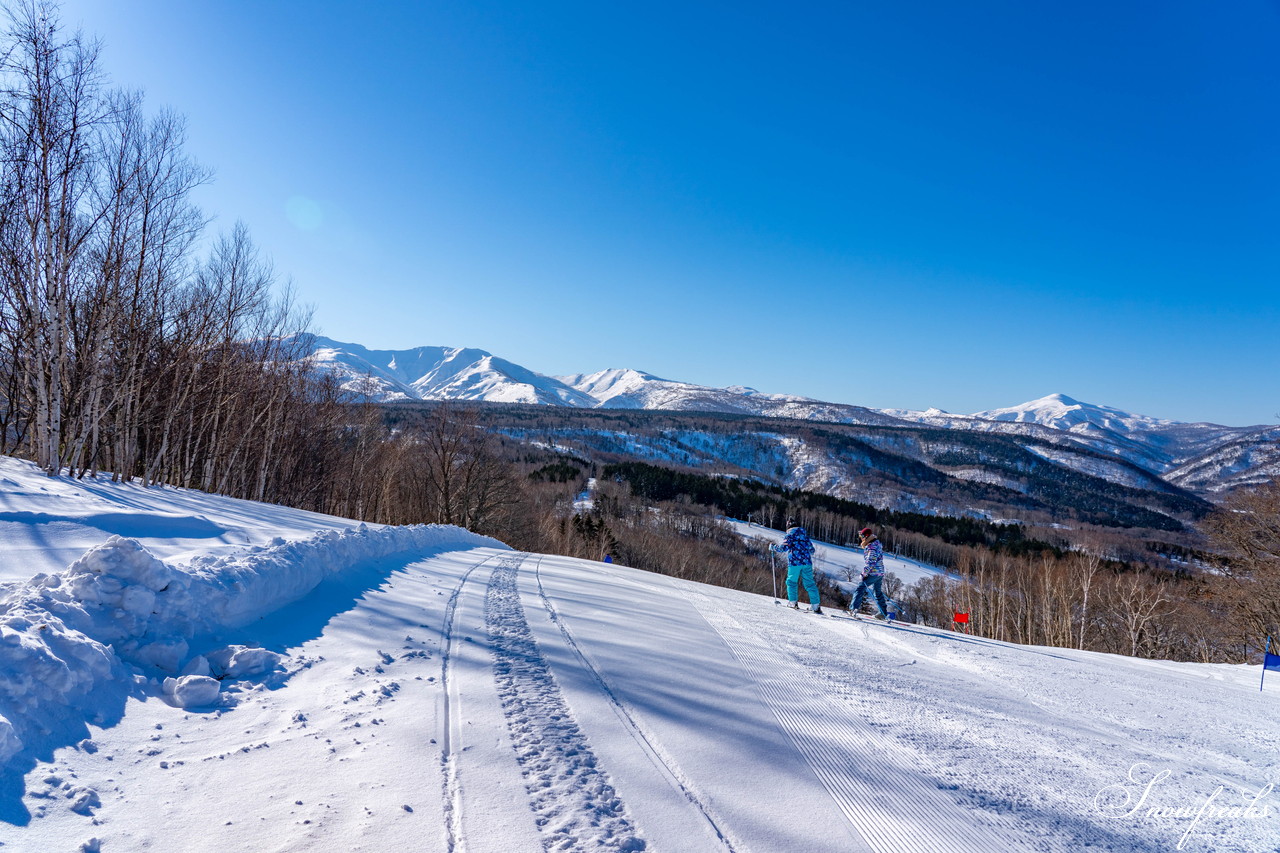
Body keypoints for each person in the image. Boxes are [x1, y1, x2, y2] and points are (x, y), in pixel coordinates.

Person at [771, 519, 822, 613]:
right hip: (807, 563)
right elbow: (812, 550)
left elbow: (783, 548)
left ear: (788, 527)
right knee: (810, 583)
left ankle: (793, 602)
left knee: (791, 582)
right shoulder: (805, 535)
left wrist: (773, 547)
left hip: (794, 563)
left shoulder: (790, 535)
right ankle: (815, 606)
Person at [849, 527, 890, 619]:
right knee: (877, 592)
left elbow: (871, 562)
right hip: (880, 572)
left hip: (873, 572)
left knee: (860, 588)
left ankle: (853, 609)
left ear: (867, 536)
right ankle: (882, 613)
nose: (861, 538)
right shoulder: (876, 544)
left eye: (862, 536)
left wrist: (864, 573)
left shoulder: (871, 547)